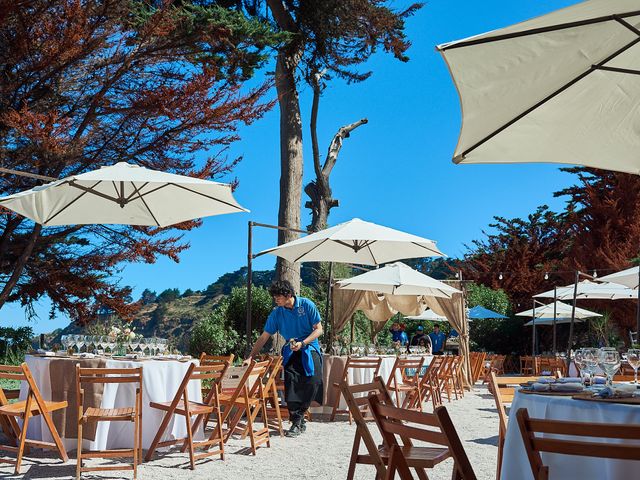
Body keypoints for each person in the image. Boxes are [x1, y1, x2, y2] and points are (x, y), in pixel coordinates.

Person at [246, 280, 323, 438]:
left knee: (314, 381)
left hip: (310, 346)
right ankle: (296, 421)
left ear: (288, 294)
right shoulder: (277, 313)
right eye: (274, 296)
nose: (275, 299)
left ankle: (300, 416)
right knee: (291, 382)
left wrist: (303, 343)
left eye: (278, 296)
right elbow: (264, 337)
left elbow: (319, 329)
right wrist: (250, 357)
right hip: (291, 349)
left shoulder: (307, 305)